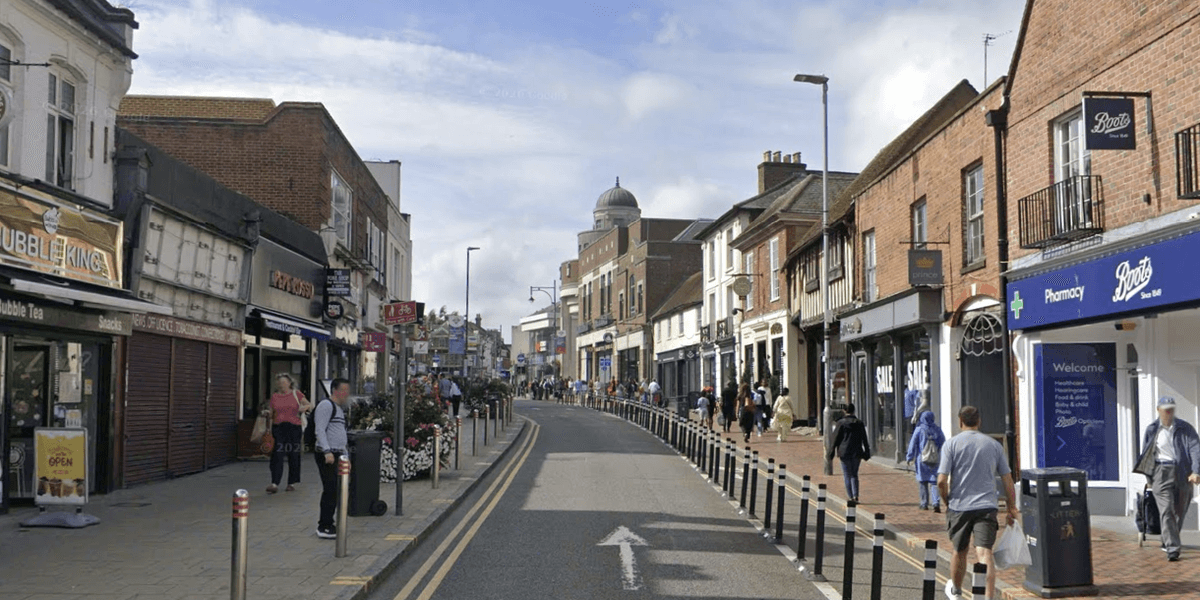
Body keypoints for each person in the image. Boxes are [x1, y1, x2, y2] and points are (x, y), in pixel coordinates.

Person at [937, 405, 1018, 600]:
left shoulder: (951, 445)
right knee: (985, 553)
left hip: (959, 506)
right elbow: (1008, 479)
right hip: (987, 506)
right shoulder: (993, 445)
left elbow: (941, 481)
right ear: (979, 421)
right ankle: (988, 598)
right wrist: (1011, 507)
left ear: (960, 421)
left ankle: (956, 591)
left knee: (959, 551)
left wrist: (947, 501)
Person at [1137, 396, 1200, 562]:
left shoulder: (1185, 428)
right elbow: (1146, 453)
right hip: (1161, 472)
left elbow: (1195, 449)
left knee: (1180, 511)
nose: (1169, 412)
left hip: (1183, 472)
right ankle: (1173, 548)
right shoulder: (1152, 429)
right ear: (1158, 410)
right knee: (1166, 510)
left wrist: (1196, 471)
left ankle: (1167, 539)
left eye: (1171, 409)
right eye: (1165, 409)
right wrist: (1149, 477)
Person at [313, 378, 351, 539]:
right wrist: (327, 451)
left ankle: (330, 522)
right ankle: (324, 525)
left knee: (336, 489)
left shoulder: (338, 409)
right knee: (331, 488)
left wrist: (346, 457)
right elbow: (320, 429)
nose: (346, 394)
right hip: (327, 454)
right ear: (335, 390)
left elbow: (340, 434)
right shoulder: (326, 405)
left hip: (338, 453)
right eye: (344, 390)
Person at [266, 373, 312, 494]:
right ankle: (274, 483)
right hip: (278, 427)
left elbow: (309, 405)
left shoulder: (296, 394)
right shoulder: (275, 396)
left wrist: (304, 408)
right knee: (277, 454)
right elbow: (271, 412)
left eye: (284, 382)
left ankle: (291, 482)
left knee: (293, 454)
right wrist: (267, 415)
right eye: (279, 382)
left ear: (289, 383)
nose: (281, 385)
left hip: (294, 427)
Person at [828, 403, 870, 502]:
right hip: (857, 452)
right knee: (854, 474)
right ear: (854, 411)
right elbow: (864, 439)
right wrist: (867, 452)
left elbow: (835, 439)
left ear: (845, 411)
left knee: (847, 475)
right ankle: (856, 496)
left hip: (844, 452)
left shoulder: (840, 423)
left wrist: (831, 451)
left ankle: (850, 497)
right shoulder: (859, 423)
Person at [905, 410, 946, 512]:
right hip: (934, 459)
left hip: (922, 460)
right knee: (934, 482)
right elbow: (943, 443)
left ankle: (924, 504)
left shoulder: (919, 429)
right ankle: (936, 502)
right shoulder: (937, 429)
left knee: (922, 481)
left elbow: (912, 444)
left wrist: (909, 457)